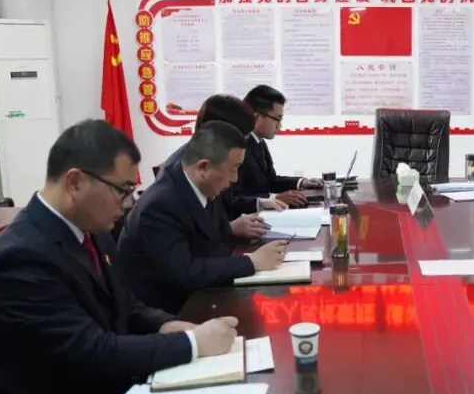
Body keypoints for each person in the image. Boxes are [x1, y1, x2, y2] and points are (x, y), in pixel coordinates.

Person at [0, 120, 242, 394]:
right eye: (122, 189)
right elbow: (90, 352)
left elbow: (125, 304)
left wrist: (168, 325)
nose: (128, 202)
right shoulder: (19, 260)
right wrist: (192, 344)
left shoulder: (90, 229)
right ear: (75, 182)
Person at [117, 121, 287, 313]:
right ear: (203, 167)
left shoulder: (206, 186)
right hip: (170, 313)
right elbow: (185, 273)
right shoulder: (160, 205)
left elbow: (216, 240)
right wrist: (252, 262)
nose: (235, 179)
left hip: (205, 294)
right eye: (234, 168)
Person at [158, 94, 286, 237]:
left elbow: (226, 202)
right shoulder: (183, 172)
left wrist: (258, 203)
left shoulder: (214, 158)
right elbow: (190, 236)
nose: (234, 178)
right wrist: (229, 229)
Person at [240, 85, 322, 207]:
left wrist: (302, 182)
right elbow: (237, 195)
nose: (279, 126)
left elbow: (271, 181)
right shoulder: (238, 146)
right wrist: (275, 198)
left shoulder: (259, 142)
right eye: (277, 119)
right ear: (257, 117)